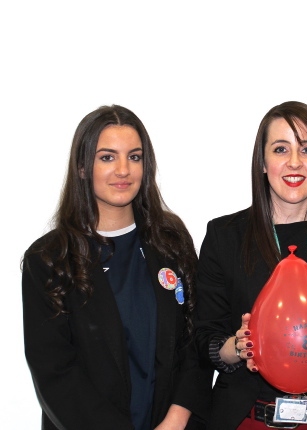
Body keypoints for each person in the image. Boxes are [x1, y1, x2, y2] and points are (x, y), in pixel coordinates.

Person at [21, 105, 212, 430]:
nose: (123, 170)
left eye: (134, 157)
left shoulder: (172, 241)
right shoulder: (49, 259)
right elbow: (55, 373)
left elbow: (195, 341)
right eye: (107, 157)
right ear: (82, 167)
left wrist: (177, 418)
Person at [194, 101, 307, 429]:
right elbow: (205, 337)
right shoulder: (224, 237)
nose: (294, 162)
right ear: (263, 162)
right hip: (246, 418)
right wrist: (238, 346)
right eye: (281, 149)